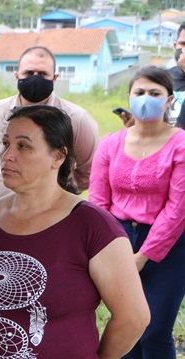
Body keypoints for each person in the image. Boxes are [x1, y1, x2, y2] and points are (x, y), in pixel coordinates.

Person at [0, 105, 149, 358]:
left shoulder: (93, 226)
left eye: (23, 146)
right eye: (6, 144)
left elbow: (133, 318)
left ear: (58, 156)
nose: (7, 155)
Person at [89, 66, 185, 358]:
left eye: (155, 93)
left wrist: (142, 256)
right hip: (117, 239)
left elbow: (178, 208)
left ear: (169, 100)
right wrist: (107, 250)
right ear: (129, 97)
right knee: (126, 327)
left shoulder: (180, 144)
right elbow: (98, 202)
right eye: (139, 92)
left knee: (154, 330)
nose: (146, 98)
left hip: (168, 245)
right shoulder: (110, 144)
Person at [0, 46, 100, 199]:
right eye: (28, 73)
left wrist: (61, 192)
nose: (35, 78)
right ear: (16, 75)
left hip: (54, 216)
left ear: (55, 78)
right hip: (0, 211)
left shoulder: (77, 119)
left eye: (43, 74)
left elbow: (90, 169)